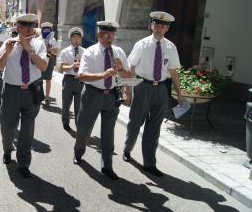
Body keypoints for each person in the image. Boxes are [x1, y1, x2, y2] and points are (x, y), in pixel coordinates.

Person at [123, 11, 183, 177]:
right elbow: (131, 68)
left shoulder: (171, 47)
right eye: (156, 25)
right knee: (135, 122)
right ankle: (127, 149)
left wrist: (178, 91)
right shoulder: (141, 44)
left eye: (162, 26)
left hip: (161, 90)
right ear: (151, 26)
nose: (158, 28)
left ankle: (149, 163)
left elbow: (173, 71)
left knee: (154, 128)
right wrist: (127, 89)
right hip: (142, 87)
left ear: (167, 29)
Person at [73, 20, 131, 180]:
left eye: (112, 34)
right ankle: (78, 152)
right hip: (92, 94)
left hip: (111, 96)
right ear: (99, 35)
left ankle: (107, 166)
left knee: (108, 133)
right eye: (106, 34)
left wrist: (121, 70)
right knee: (84, 128)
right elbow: (81, 76)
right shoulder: (90, 52)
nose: (109, 38)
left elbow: (128, 76)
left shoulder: (118, 51)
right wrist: (103, 75)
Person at [0, 13, 48, 178]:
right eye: (26, 27)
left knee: (27, 130)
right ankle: (7, 149)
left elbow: (43, 67)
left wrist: (28, 48)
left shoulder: (38, 44)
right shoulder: (8, 44)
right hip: (12, 90)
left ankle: (24, 162)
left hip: (32, 91)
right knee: (8, 126)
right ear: (18, 28)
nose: (30, 29)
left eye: (32, 27)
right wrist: (6, 52)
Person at [59, 27, 85, 131]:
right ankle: (65, 122)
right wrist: (71, 66)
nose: (76, 40)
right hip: (68, 79)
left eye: (78, 38)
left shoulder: (86, 51)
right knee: (66, 103)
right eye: (74, 37)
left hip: (80, 80)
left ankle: (79, 125)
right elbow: (62, 67)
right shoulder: (65, 51)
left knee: (79, 105)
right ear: (70, 39)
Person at [40, 22, 60, 106]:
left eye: (48, 29)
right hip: (40, 59)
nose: (46, 31)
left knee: (48, 79)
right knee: (39, 79)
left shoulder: (53, 40)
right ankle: (40, 96)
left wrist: (50, 50)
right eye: (45, 29)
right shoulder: (39, 39)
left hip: (50, 59)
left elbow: (57, 53)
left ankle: (47, 98)